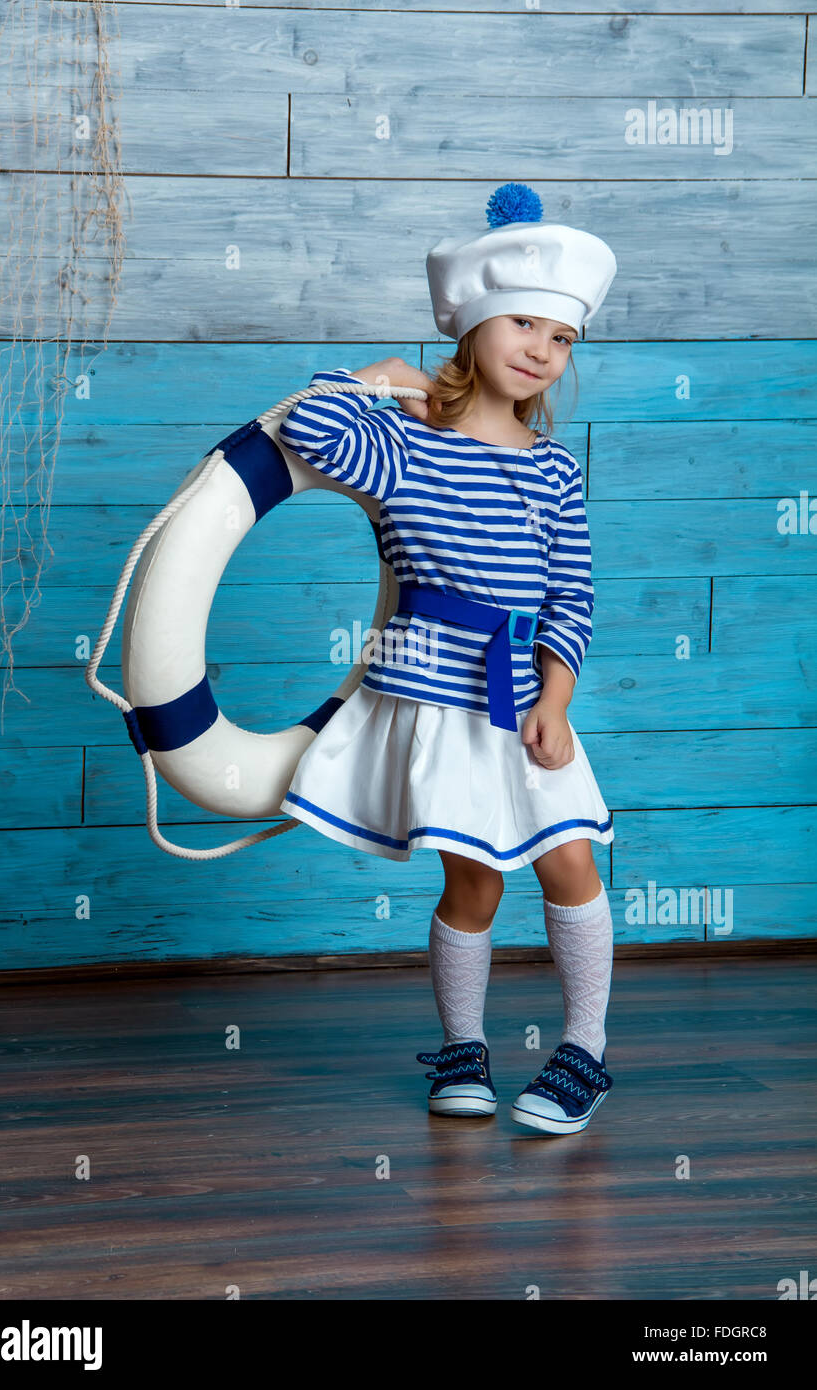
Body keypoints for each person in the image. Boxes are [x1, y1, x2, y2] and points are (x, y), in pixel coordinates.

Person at [278, 183, 617, 1136]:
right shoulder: (401, 444)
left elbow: (571, 595)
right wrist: (374, 377)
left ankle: (584, 1048)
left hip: (522, 699)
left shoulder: (553, 469)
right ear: (471, 323)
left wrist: (557, 694)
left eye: (562, 339)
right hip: (432, 698)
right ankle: (462, 1049)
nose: (542, 350)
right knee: (471, 880)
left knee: (568, 865)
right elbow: (307, 431)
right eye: (523, 323)